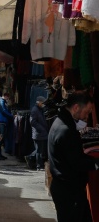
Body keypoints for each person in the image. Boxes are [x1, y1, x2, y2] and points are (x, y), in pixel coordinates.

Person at [48, 91, 98, 222]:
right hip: (69, 191)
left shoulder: (62, 123)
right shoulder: (66, 130)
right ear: (76, 107)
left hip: (68, 190)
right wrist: (96, 164)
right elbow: (76, 162)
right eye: (86, 112)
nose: (87, 117)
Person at [25, 95, 48, 171]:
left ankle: (30, 157)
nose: (43, 104)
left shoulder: (40, 109)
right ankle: (39, 166)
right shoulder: (35, 110)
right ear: (39, 102)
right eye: (42, 103)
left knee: (40, 150)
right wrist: (42, 129)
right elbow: (32, 122)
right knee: (39, 151)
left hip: (41, 133)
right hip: (38, 134)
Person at [0, 92, 13, 159]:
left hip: (1, 122)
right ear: (5, 96)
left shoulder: (2, 101)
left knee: (1, 139)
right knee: (0, 138)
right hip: (0, 122)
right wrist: (11, 116)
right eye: (8, 97)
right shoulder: (1, 101)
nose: (8, 99)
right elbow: (3, 111)